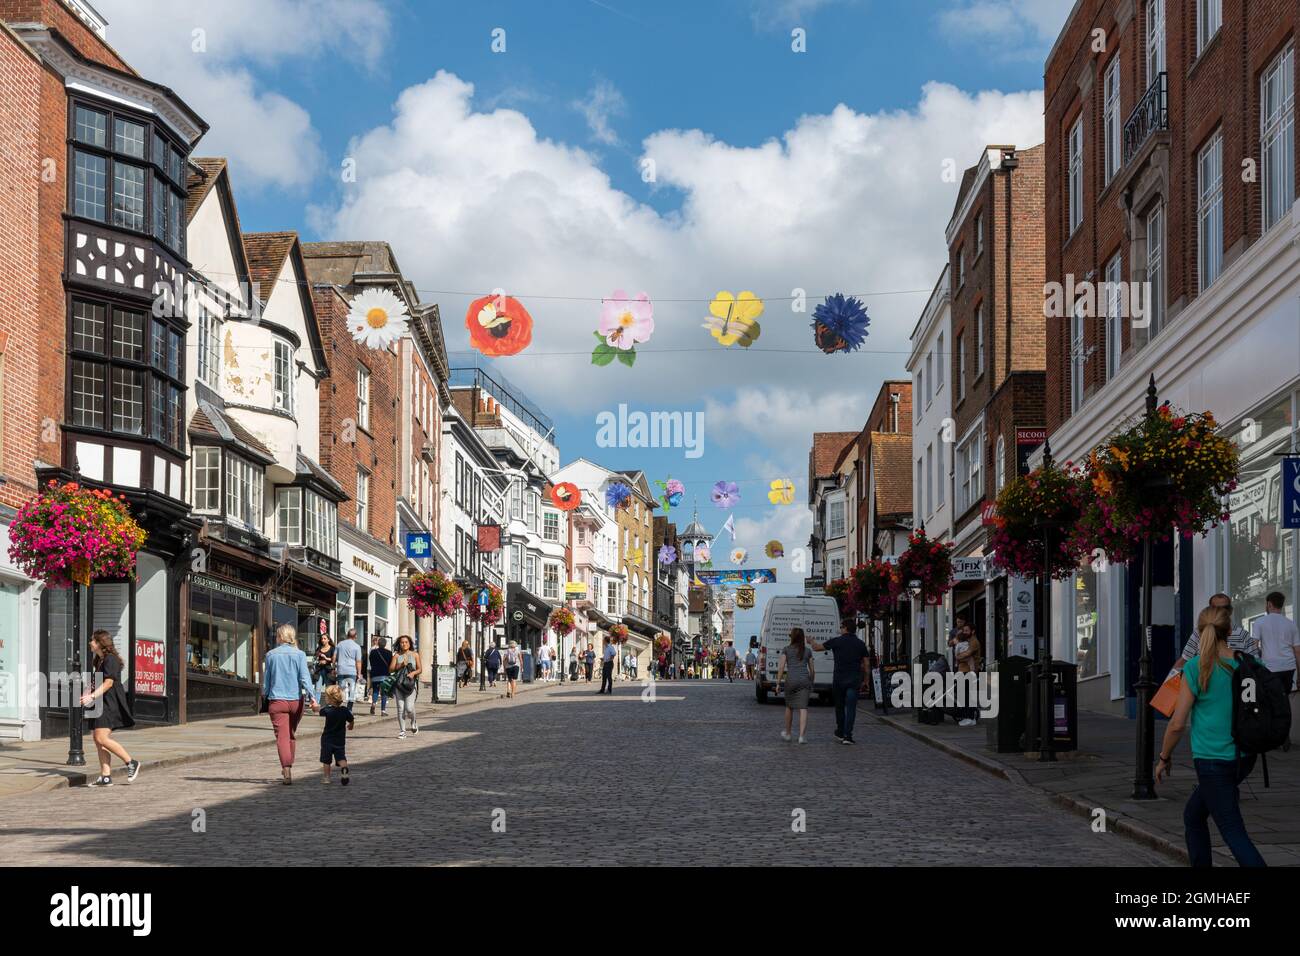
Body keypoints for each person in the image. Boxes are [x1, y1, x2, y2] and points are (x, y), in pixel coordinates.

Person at [1157, 605, 1267, 867]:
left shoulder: (1196, 667)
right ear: (1229, 631)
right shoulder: (1249, 663)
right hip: (1244, 756)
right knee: (1194, 815)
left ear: (1199, 631)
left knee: (1232, 831)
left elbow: (1177, 724)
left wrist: (1164, 757)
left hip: (1213, 760)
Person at [80, 630, 140, 787]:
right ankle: (106, 776)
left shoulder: (110, 660)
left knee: (101, 738)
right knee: (98, 739)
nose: (90, 643)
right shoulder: (99, 660)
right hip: (100, 702)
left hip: (109, 703)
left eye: (92, 640)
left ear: (100, 643)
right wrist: (88, 692)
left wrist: (92, 697)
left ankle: (131, 762)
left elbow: (109, 683)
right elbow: (97, 681)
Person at [262, 623, 319, 784]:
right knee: (291, 734)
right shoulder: (299, 654)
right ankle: (288, 763)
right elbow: (304, 678)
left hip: (277, 700)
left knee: (282, 736)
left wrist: (264, 696)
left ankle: (286, 768)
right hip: (295, 701)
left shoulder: (271, 655)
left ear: (280, 637)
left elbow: (266, 682)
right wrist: (312, 697)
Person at [1172, 593, 1259, 678]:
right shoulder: (1199, 632)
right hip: (1203, 684)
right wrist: (1168, 686)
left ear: (1231, 610)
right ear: (1210, 610)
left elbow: (1255, 664)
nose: (1221, 611)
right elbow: (1184, 659)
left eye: (1225, 608)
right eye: (1216, 608)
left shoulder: (1243, 635)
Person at [812, 620, 869, 745]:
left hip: (839, 679)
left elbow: (816, 648)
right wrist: (866, 680)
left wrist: (811, 641)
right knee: (851, 708)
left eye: (841, 627)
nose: (840, 629)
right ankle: (848, 736)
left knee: (840, 707)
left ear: (846, 628)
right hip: (854, 680)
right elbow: (866, 664)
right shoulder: (860, 644)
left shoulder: (836, 641)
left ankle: (840, 730)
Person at [775, 627, 814, 744]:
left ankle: (788, 733)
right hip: (804, 680)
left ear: (791, 637)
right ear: (802, 638)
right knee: (803, 708)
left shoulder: (786, 650)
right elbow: (812, 670)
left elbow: (781, 667)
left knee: (789, 707)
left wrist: (778, 683)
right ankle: (802, 736)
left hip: (791, 680)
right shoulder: (807, 651)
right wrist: (811, 682)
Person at [318, 685, 355, 785]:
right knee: (341, 757)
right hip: (340, 740)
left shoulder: (327, 710)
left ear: (330, 699)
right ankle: (344, 768)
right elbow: (351, 719)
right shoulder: (344, 710)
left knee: (326, 760)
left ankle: (326, 778)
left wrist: (315, 707)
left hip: (327, 740)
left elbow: (319, 711)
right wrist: (351, 725)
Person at [949, 621, 982, 726]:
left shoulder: (974, 642)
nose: (965, 632)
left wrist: (958, 656)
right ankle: (969, 717)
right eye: (964, 630)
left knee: (966, 695)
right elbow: (951, 643)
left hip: (968, 672)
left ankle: (969, 717)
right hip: (963, 670)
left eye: (967, 630)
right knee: (964, 695)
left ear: (973, 631)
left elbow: (967, 654)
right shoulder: (966, 640)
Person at [390, 635, 420, 739]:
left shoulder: (415, 655)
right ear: (399, 644)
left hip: (411, 684)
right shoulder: (396, 656)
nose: (404, 644)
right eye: (402, 642)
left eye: (406, 642)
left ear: (410, 643)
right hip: (399, 684)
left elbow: (420, 669)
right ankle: (402, 731)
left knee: (409, 708)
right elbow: (391, 669)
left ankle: (413, 721)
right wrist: (401, 665)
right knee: (400, 708)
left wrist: (413, 673)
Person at [335, 628, 363, 713]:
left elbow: (334, 656)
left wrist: (333, 667)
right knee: (352, 690)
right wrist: (359, 673)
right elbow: (358, 661)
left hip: (341, 670)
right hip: (351, 671)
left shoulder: (340, 644)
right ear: (356, 636)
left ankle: (340, 708)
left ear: (347, 635)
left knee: (341, 689)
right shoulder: (357, 647)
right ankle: (349, 709)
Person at [368, 636, 392, 716]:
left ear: (378, 643)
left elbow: (371, 662)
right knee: (384, 693)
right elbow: (390, 664)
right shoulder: (389, 653)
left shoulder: (373, 652)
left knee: (375, 691)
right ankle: (383, 711)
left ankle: (374, 704)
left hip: (375, 674)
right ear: (385, 644)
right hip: (385, 675)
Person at [312, 633, 336, 699]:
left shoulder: (332, 648)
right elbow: (314, 658)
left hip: (328, 670)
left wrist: (326, 659)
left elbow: (334, 659)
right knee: (318, 689)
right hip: (319, 670)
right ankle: (316, 703)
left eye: (325, 638)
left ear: (328, 640)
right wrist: (318, 661)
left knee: (328, 689)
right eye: (322, 638)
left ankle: (329, 704)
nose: (323, 640)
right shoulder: (319, 648)